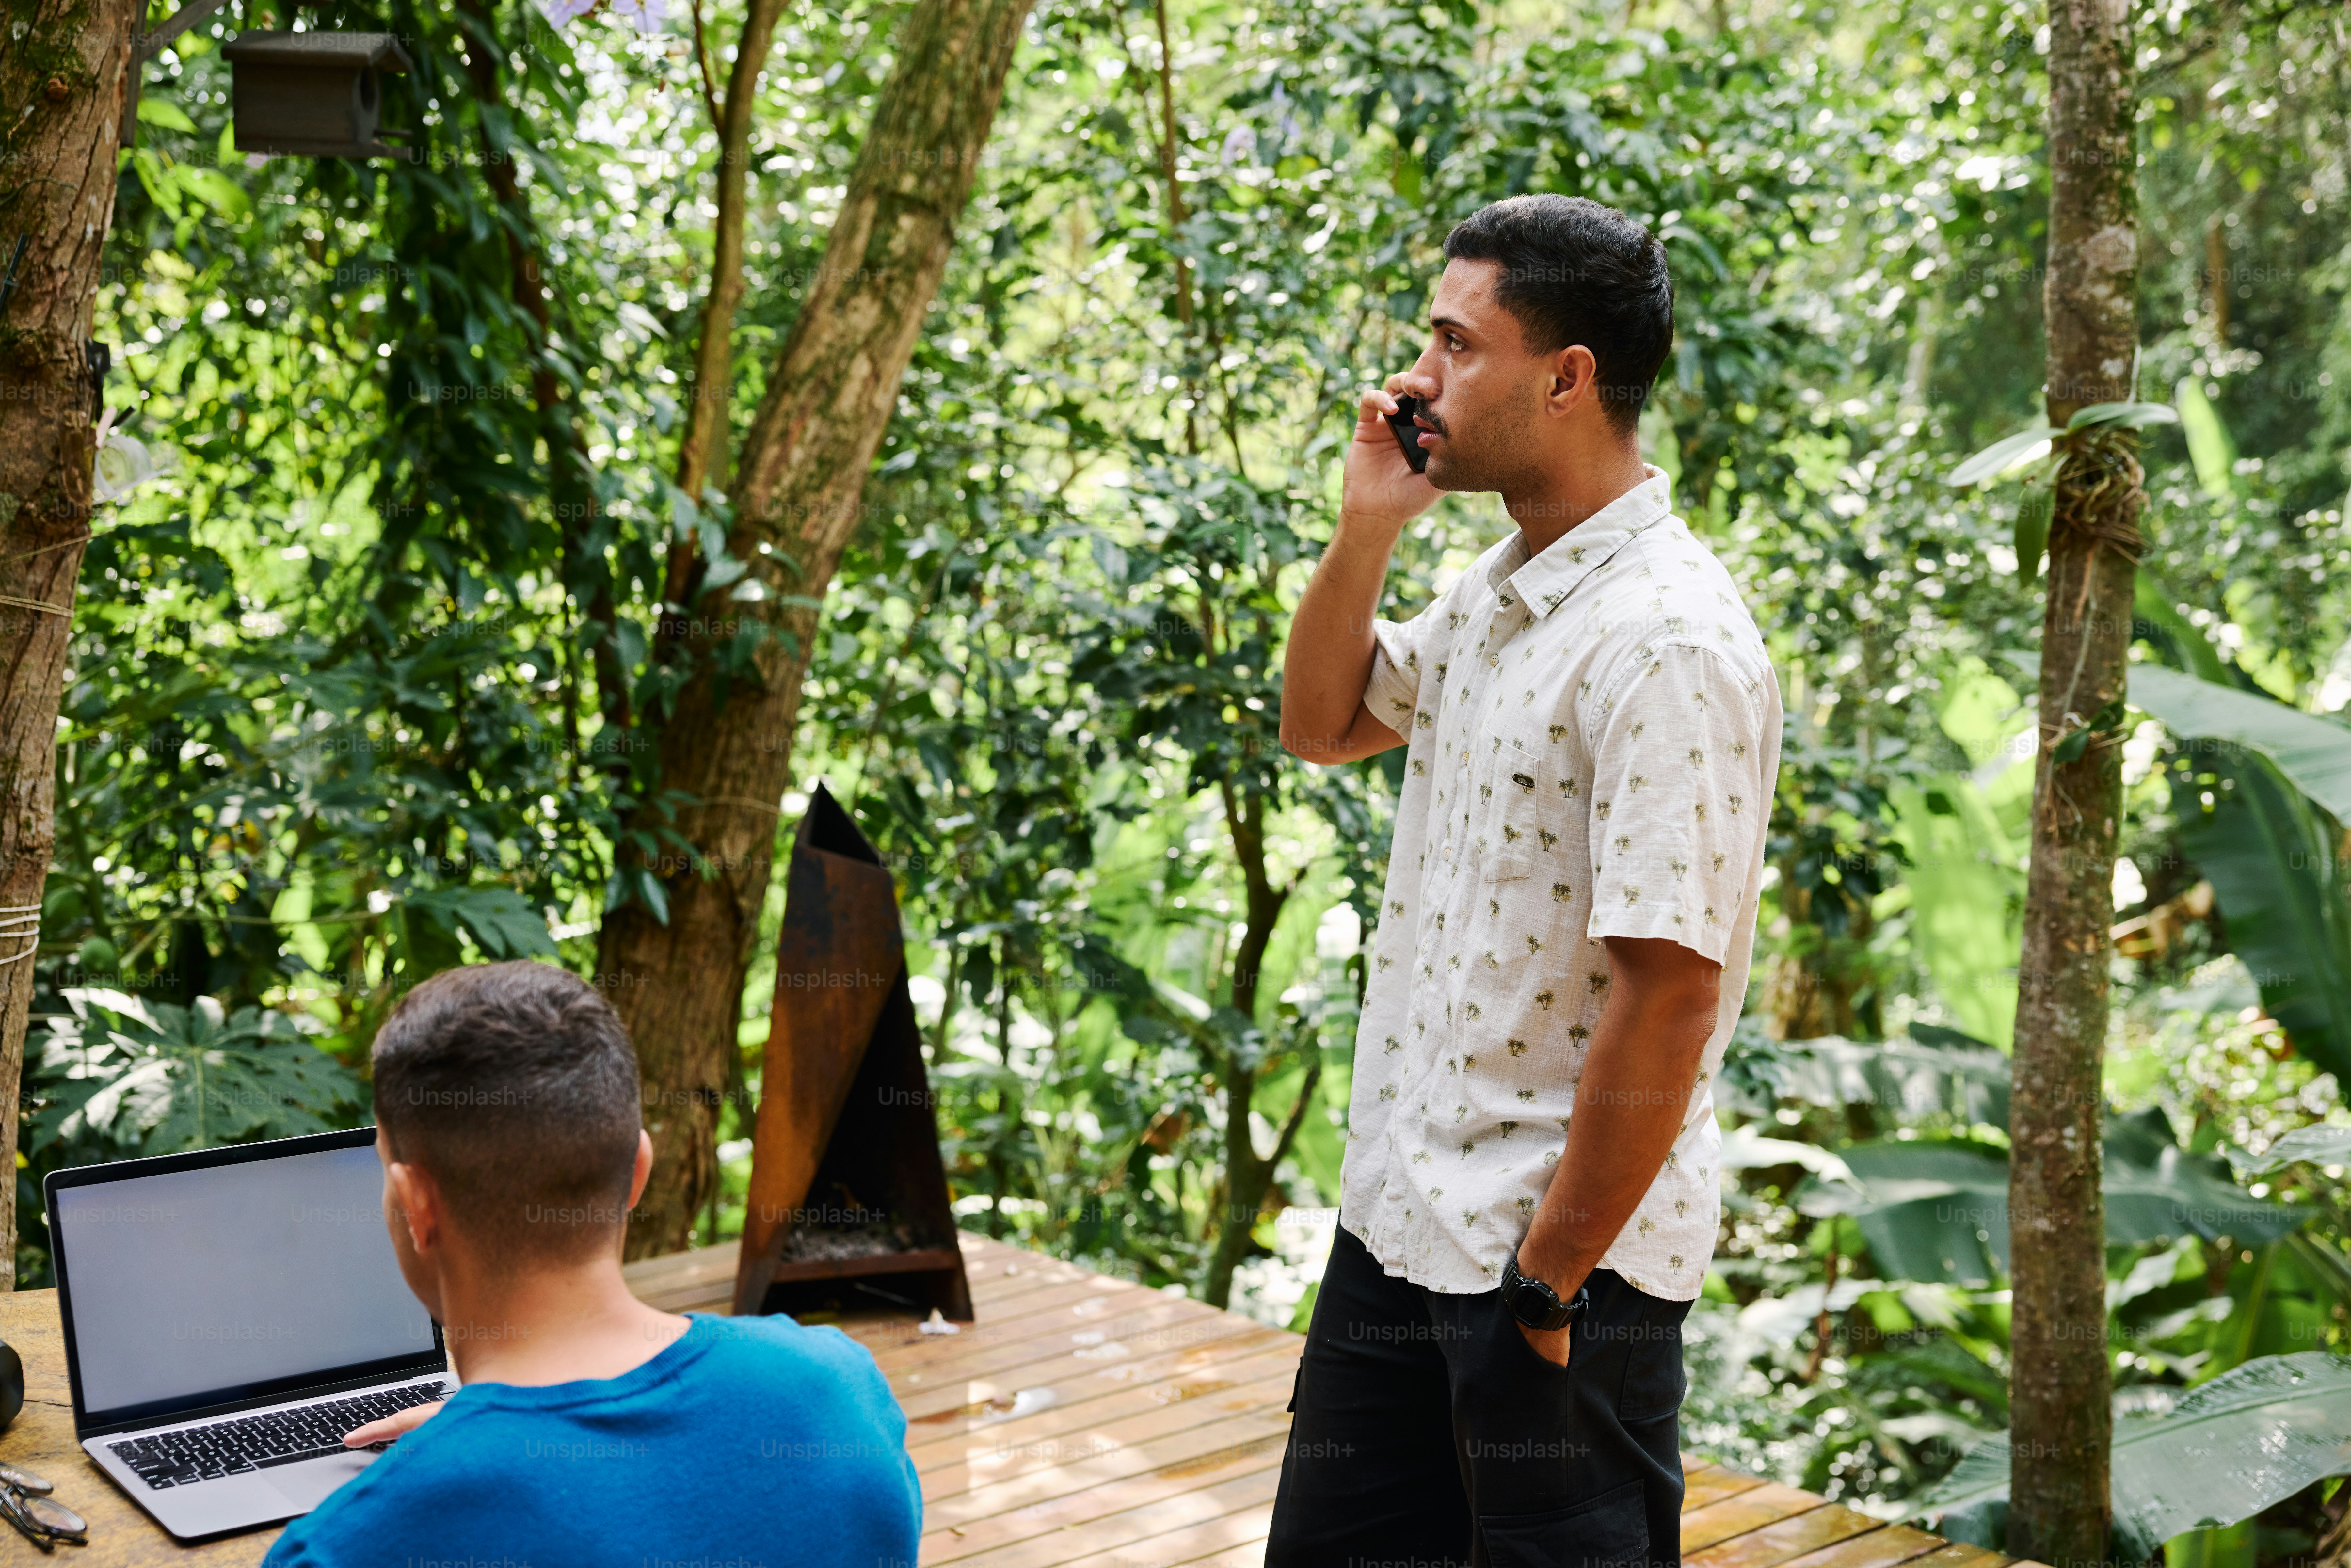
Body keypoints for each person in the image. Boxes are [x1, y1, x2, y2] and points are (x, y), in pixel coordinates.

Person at [1269, 193, 1781, 1567]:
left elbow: (1671, 995)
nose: (1417, 378)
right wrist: (1366, 527)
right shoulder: (1500, 590)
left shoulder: (1667, 642)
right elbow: (1321, 724)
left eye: (1456, 344)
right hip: (1397, 1229)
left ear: (1567, 380)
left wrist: (1547, 1288)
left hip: (1553, 1277)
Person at [263, 960, 920, 1568]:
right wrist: (496, 1436)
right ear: (637, 1172)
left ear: (417, 1205)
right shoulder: (842, 1391)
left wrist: (479, 1450)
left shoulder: (348, 1549)